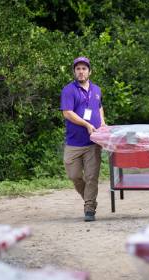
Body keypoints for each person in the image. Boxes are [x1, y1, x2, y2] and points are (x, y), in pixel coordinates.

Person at [60, 56, 106, 222]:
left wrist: (103, 124)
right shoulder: (68, 90)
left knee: (92, 177)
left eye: (84, 68)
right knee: (74, 176)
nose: (81, 71)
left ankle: (89, 207)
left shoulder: (97, 90)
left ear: (89, 71)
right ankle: (90, 198)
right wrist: (86, 124)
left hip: (93, 143)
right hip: (74, 143)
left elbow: (99, 107)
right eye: (78, 68)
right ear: (74, 72)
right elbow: (67, 113)